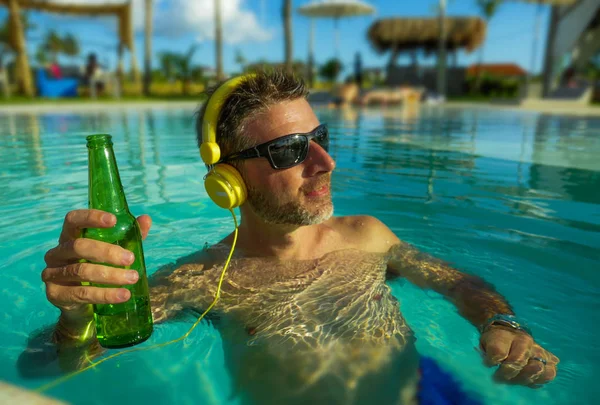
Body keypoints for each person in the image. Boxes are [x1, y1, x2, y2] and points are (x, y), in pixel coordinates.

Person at [41, 70, 558, 404]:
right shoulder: (202, 280)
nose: (326, 163)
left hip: (427, 394)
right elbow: (71, 365)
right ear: (229, 180)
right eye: (292, 150)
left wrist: (502, 322)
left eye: (321, 139)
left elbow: (457, 283)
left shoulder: (367, 236)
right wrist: (75, 317)